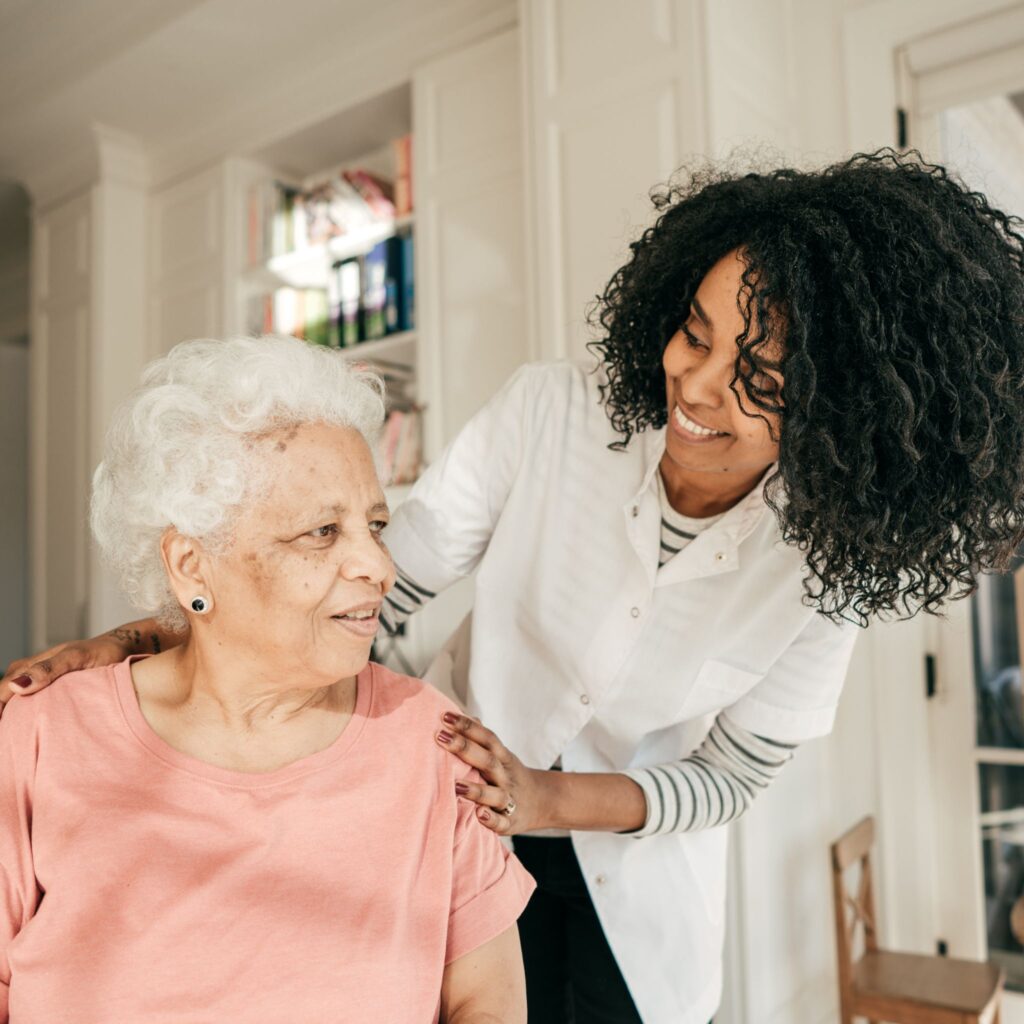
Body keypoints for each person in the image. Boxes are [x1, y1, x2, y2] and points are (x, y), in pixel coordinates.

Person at [6, 149, 1024, 1024]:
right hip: (448, 807)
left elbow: (729, 777)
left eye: (760, 378)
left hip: (626, 888)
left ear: (841, 412)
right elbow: (373, 580)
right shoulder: (553, 416)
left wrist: (544, 796)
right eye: (694, 331)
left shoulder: (822, 567)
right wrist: (168, 635)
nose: (697, 385)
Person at [0, 336, 534, 1023]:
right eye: (321, 532)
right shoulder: (41, 735)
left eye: (375, 526)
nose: (379, 567)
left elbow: (487, 1004)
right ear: (193, 567)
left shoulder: (432, 742)